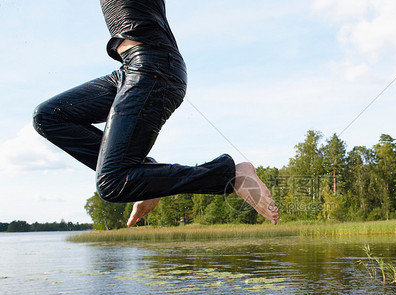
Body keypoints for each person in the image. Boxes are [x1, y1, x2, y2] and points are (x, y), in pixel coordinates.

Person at [33, 0, 278, 226]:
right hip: (131, 69)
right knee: (48, 116)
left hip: (154, 67)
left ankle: (231, 175)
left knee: (112, 184)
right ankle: (145, 177)